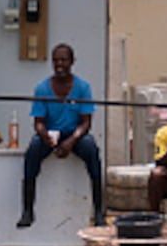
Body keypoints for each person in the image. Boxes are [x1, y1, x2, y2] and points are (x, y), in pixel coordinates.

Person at [19, 42, 104, 228]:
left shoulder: (83, 87)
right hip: (50, 134)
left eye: (64, 60)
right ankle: (27, 210)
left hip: (75, 134)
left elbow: (86, 122)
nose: (59, 64)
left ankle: (99, 211)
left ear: (72, 62)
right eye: (56, 60)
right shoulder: (42, 88)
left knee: (91, 149)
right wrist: (44, 136)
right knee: (33, 150)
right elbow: (38, 122)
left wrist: (72, 141)